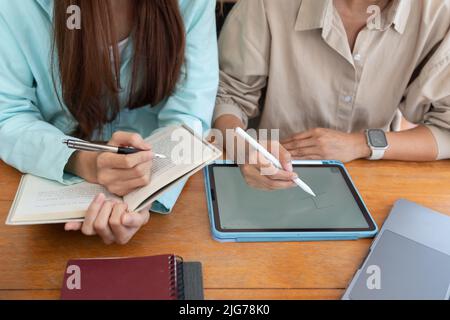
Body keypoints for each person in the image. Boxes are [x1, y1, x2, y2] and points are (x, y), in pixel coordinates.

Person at [0, 0, 218, 244]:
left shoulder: (193, 4)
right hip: (50, 194)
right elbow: (8, 116)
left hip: (158, 207)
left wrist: (146, 193)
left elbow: (189, 116)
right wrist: (81, 161)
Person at [214, 0, 450, 190]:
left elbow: (446, 128)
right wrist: (245, 152)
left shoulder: (439, 14)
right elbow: (228, 99)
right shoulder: (267, 5)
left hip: (372, 180)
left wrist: (361, 144)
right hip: (266, 178)